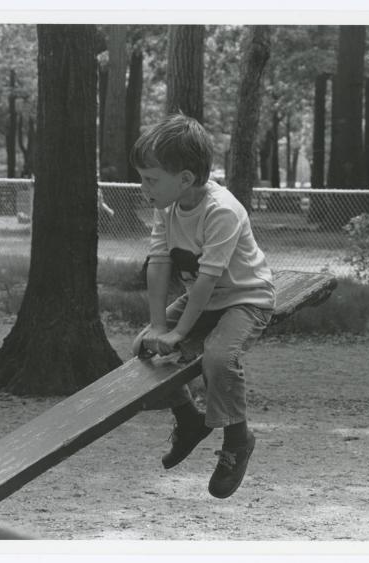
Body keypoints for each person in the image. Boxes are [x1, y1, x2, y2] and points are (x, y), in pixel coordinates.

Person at [130, 113, 276, 499]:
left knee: (218, 358)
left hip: (246, 298)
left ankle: (237, 440)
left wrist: (179, 333)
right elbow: (159, 264)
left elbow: (209, 278)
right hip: (207, 300)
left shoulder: (221, 210)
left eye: (150, 179)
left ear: (185, 179)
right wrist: (158, 327)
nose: (143, 186)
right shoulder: (167, 207)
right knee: (142, 349)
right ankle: (189, 419)